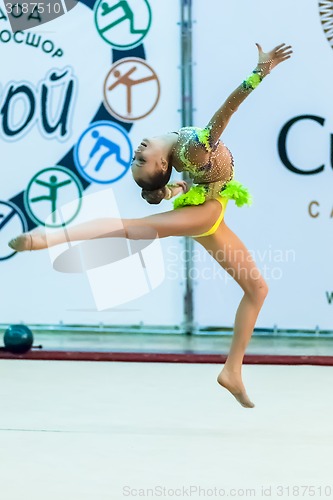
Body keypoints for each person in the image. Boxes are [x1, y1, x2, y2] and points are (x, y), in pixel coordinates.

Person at [8, 43, 293, 408]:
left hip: (208, 209)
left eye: (135, 157)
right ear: (161, 166)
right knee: (133, 226)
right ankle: (47, 238)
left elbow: (189, 182)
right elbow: (229, 110)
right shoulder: (193, 149)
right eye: (142, 158)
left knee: (257, 289)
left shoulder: (178, 156)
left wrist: (176, 188)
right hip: (207, 212)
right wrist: (259, 73)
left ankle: (232, 371)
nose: (138, 149)